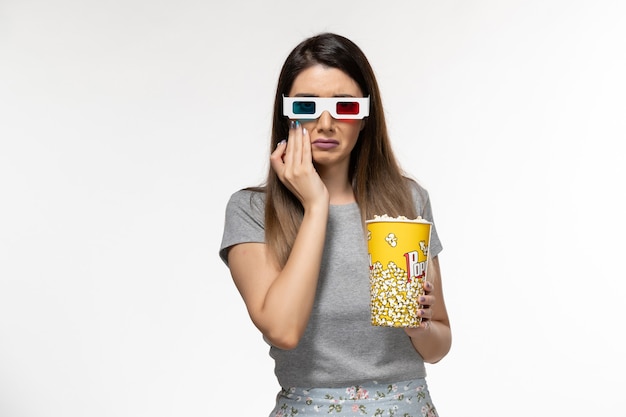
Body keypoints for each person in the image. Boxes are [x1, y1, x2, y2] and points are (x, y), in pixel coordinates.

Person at [219, 32, 451, 417]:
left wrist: (419, 327)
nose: (325, 123)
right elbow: (283, 329)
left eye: (344, 106)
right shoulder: (252, 210)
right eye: (307, 106)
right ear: (288, 114)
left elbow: (439, 345)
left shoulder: (406, 201)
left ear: (364, 117)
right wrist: (315, 204)